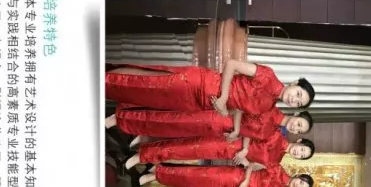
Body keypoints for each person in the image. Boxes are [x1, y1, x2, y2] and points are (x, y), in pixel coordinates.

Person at [105, 61, 314, 116]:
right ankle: (106, 77)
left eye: (298, 103)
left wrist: (224, 111)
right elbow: (232, 64)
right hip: (201, 83)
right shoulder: (268, 76)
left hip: (200, 103)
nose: (293, 100)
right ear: (294, 84)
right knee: (150, 81)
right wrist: (223, 96)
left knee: (149, 98)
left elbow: (237, 107)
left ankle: (107, 92)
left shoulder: (267, 107)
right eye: (298, 94)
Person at [104, 105, 314, 142]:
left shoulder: (272, 132)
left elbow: (247, 135)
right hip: (217, 118)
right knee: (171, 119)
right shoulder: (270, 108)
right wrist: (237, 129)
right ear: (296, 114)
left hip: (217, 132)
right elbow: (240, 107)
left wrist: (236, 136)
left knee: (171, 129)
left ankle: (126, 124)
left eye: (299, 130)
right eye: (299, 123)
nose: (295, 128)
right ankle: (119, 117)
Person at [122, 133, 315, 170]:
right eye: (302, 149)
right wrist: (245, 148)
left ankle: (144, 148)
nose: (299, 153)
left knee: (183, 152)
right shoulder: (276, 135)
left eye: (302, 156)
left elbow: (252, 166)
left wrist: (245, 161)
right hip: (227, 140)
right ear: (299, 141)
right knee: (183, 143)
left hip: (224, 154)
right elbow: (251, 129)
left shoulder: (275, 162)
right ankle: (140, 155)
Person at [136, 162, 313, 187]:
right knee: (196, 174)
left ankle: (156, 174)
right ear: (298, 176)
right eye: (300, 182)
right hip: (235, 176)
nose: (297, 185)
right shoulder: (278, 169)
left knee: (194, 184)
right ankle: (155, 172)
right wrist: (245, 182)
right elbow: (252, 164)